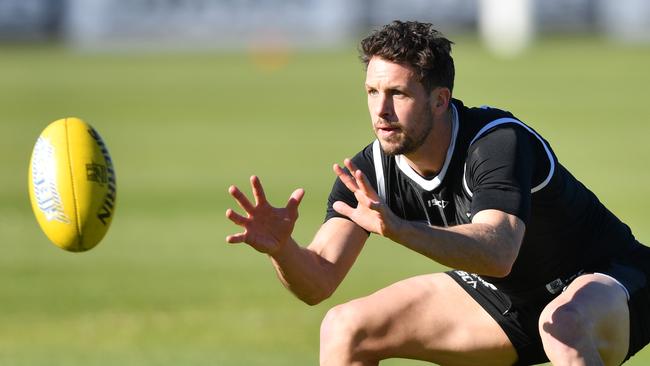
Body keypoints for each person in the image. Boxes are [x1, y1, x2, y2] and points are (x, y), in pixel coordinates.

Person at [225, 20, 650, 366]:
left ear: (440, 99)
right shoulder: (368, 171)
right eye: (372, 92)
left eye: (398, 93)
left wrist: (398, 228)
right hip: (509, 303)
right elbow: (317, 281)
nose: (381, 110)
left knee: (565, 324)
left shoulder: (498, 142)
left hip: (610, 279)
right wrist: (283, 251)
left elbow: (499, 252)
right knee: (345, 328)